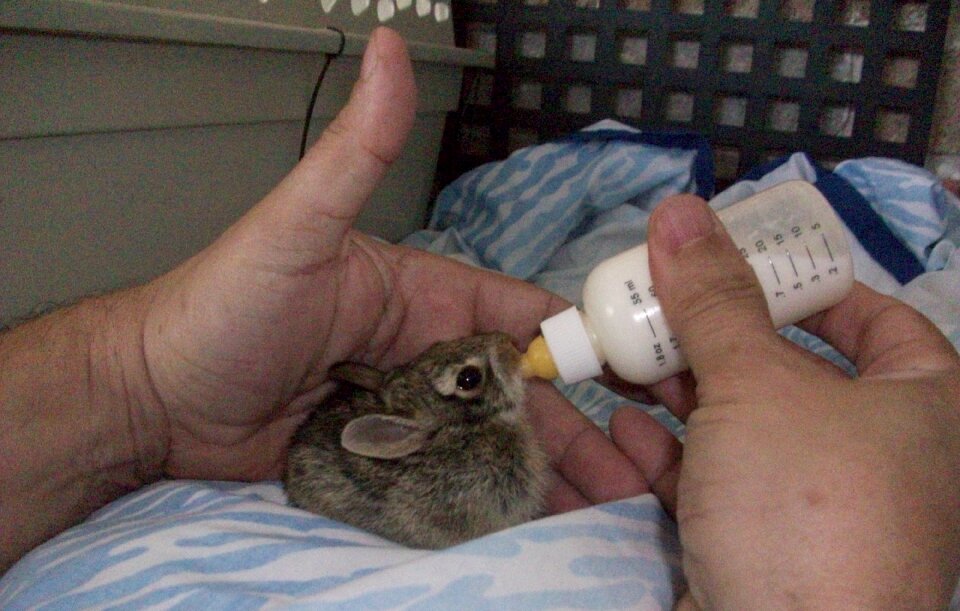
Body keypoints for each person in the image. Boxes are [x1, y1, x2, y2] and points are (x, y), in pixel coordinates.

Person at [0, 26, 957, 608]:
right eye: (474, 379)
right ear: (423, 421)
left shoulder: (482, 429)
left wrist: (140, 382)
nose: (503, 358)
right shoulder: (432, 456)